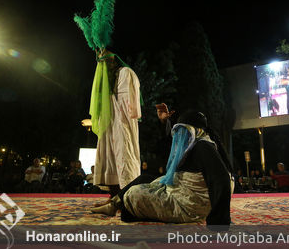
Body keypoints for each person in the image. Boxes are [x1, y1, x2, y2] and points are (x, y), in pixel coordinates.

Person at [91, 111, 234, 228]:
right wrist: (164, 122)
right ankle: (115, 204)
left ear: (193, 132)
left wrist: (218, 224)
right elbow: (167, 148)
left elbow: (222, 180)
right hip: (181, 193)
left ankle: (121, 206)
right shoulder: (193, 145)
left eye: (182, 131)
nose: (179, 136)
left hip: (189, 206)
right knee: (146, 178)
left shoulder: (203, 147)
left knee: (134, 195)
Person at [86, 50, 142, 198]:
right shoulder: (107, 81)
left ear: (113, 61)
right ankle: (113, 198)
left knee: (123, 155)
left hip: (121, 123)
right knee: (108, 157)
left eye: (106, 63)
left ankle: (125, 200)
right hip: (109, 123)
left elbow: (128, 106)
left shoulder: (125, 73)